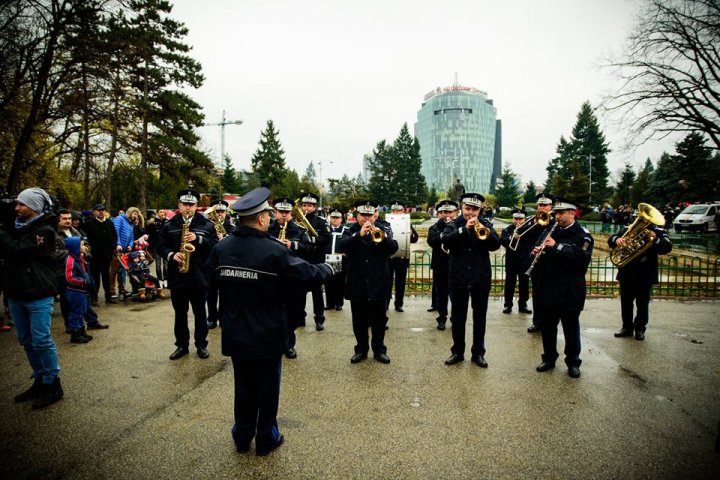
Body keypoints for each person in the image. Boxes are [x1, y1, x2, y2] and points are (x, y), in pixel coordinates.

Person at [208, 187, 334, 455]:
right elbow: (307, 275)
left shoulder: (221, 247)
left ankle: (242, 437)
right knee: (267, 389)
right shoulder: (273, 250)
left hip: (236, 331)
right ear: (263, 218)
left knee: (243, 387)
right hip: (267, 334)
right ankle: (266, 438)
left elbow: (212, 280)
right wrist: (329, 268)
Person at [0, 187, 64, 409]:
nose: (16, 207)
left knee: (41, 340)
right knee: (26, 340)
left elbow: (18, 250)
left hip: (38, 293)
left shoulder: (44, 231)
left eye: (22, 204)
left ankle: (52, 383)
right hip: (16, 293)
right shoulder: (14, 227)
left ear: (34, 207)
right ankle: (39, 379)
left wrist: (2, 233)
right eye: (16, 203)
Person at [530, 197, 593, 379]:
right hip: (549, 288)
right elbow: (537, 248)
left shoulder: (583, 234)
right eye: (556, 213)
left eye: (561, 213)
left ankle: (573, 362)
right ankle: (549, 358)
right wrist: (536, 252)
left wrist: (557, 246)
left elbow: (581, 257)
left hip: (570, 290)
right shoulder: (551, 230)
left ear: (572, 213)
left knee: (570, 328)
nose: (556, 216)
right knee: (548, 327)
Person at [157, 190, 218, 360]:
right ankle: (182, 345)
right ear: (179, 206)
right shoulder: (169, 225)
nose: (188, 208)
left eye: (191, 205)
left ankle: (201, 345)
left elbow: (214, 245)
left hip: (199, 277)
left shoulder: (206, 225)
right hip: (178, 277)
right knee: (180, 314)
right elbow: (160, 246)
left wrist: (198, 239)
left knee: (200, 313)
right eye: (185, 204)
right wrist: (171, 255)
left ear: (196, 206)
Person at [441, 193, 500, 368]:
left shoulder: (486, 224)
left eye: (475, 209)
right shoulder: (453, 224)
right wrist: (464, 229)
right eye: (467, 209)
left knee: (479, 317)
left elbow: (495, 244)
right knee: (458, 317)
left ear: (480, 209)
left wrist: (483, 229)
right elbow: (445, 241)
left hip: (480, 278)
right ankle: (457, 352)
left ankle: (478, 353)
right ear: (461, 208)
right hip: (458, 278)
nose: (471, 212)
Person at [339, 200, 398, 364]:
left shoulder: (384, 227)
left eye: (370, 215)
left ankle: (379, 350)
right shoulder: (350, 229)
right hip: (357, 282)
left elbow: (393, 247)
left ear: (376, 215)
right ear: (356, 216)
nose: (366, 219)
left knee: (379, 320)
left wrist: (382, 236)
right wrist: (359, 235)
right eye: (363, 215)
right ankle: (361, 349)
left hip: (378, 281)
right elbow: (341, 245)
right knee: (359, 320)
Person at [608, 214, 672, 340]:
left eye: (647, 220)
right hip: (627, 273)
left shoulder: (658, 231)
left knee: (642, 304)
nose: (644, 222)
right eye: (642, 219)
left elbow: (667, 247)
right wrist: (617, 240)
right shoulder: (629, 229)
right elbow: (611, 239)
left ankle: (640, 328)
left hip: (645, 274)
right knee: (626, 303)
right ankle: (627, 327)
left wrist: (655, 239)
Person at [268, 197, 311, 358]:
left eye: (287, 212)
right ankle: (274, 343)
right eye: (281, 212)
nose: (284, 215)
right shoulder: (267, 229)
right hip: (272, 277)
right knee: (271, 312)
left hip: (292, 278)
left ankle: (289, 344)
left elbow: (308, 248)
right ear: (275, 212)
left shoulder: (299, 230)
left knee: (292, 313)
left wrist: (292, 245)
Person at [57, 210, 108, 331]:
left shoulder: (76, 232)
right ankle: (70, 326)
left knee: (84, 297)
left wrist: (85, 251)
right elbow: (54, 253)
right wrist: (74, 252)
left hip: (81, 268)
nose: (68, 221)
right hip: (64, 272)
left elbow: (86, 246)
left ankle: (91, 321)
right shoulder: (55, 235)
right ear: (58, 220)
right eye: (64, 218)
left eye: (69, 218)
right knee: (66, 300)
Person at [297, 192, 332, 331]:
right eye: (305, 205)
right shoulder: (297, 220)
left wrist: (313, 240)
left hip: (316, 260)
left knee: (317, 292)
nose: (307, 208)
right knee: (300, 291)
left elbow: (327, 237)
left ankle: (319, 319)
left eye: (310, 205)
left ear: (315, 207)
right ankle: (300, 318)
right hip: (302, 259)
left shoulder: (321, 221)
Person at [426, 199, 458, 330]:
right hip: (440, 265)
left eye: (450, 212)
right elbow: (431, 242)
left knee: (456, 294)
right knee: (441, 294)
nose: (447, 215)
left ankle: (455, 318)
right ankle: (442, 318)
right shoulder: (434, 228)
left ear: (455, 212)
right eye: (444, 212)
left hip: (456, 265)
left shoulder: (460, 225)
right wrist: (443, 234)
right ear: (439, 213)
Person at [527, 193, 555, 333]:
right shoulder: (533, 221)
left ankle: (547, 323)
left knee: (548, 295)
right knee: (537, 294)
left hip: (550, 264)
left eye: (545, 205)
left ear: (551, 207)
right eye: (540, 205)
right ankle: (537, 322)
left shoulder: (555, 221)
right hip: (535, 261)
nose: (542, 207)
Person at [206, 200, 235, 329]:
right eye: (217, 212)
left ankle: (223, 317)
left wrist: (226, 241)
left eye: (222, 212)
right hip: (211, 264)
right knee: (211, 293)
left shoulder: (233, 228)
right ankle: (211, 318)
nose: (219, 214)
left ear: (226, 213)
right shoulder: (207, 227)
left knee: (225, 293)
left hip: (226, 265)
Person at [386, 201, 419, 313]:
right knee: (387, 282)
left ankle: (399, 304)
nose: (396, 213)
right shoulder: (386, 222)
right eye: (394, 211)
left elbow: (415, 238)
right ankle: (385, 304)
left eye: (398, 211)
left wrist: (411, 234)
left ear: (403, 211)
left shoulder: (407, 223)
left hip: (402, 258)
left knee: (401, 282)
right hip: (389, 258)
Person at [82, 204, 118, 304]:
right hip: (95, 256)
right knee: (95, 277)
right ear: (94, 212)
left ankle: (108, 296)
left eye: (102, 210)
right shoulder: (89, 224)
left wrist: (111, 249)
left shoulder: (109, 223)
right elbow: (88, 239)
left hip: (107, 255)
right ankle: (94, 297)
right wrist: (93, 250)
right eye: (99, 210)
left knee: (106, 276)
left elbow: (114, 236)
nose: (101, 212)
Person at [499, 209, 532, 315]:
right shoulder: (507, 230)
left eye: (520, 219)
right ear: (513, 219)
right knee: (509, 284)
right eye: (515, 218)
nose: (517, 221)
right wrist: (511, 237)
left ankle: (523, 305)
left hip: (524, 260)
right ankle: (507, 305)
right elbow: (503, 241)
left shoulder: (529, 230)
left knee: (524, 284)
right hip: (511, 261)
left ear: (524, 219)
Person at [63, 236, 95, 344]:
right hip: (75, 291)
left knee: (82, 310)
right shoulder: (70, 260)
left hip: (82, 291)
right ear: (75, 247)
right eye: (81, 245)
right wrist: (83, 281)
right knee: (75, 312)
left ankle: (82, 331)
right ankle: (75, 334)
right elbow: (70, 277)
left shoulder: (79, 257)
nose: (84, 246)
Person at [324, 208, 348, 311]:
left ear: (341, 219)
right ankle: (330, 303)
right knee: (328, 281)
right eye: (333, 217)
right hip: (328, 259)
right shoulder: (326, 230)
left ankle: (339, 303)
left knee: (340, 282)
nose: (335, 220)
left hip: (341, 259)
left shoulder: (346, 230)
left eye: (337, 218)